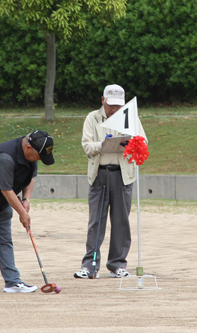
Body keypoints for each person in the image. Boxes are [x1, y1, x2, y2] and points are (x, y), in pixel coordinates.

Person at [0, 130, 55, 295]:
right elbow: (5, 189)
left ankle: (12, 281)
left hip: (3, 201)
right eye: (39, 156)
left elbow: (30, 178)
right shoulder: (4, 157)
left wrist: (26, 201)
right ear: (28, 148)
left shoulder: (32, 154)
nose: (40, 160)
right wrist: (22, 212)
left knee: (5, 241)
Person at [74, 84, 147, 279]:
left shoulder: (130, 117)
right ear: (103, 100)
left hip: (123, 175)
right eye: (111, 105)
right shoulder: (92, 118)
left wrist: (132, 143)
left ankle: (117, 264)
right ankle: (90, 265)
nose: (115, 109)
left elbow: (143, 142)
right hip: (99, 174)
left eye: (118, 105)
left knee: (121, 221)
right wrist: (104, 145)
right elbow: (87, 146)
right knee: (96, 221)